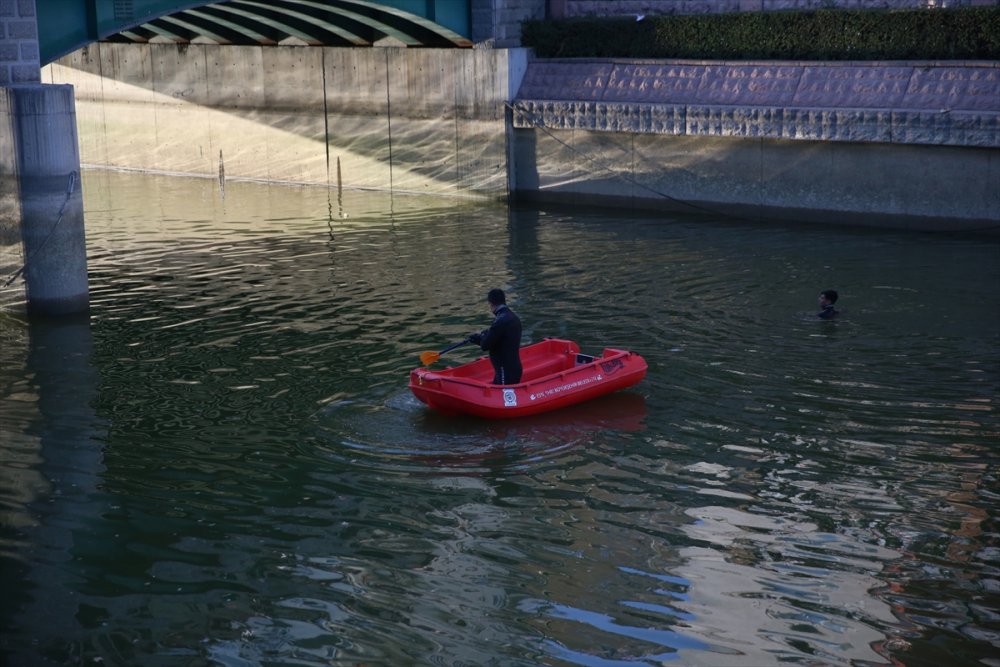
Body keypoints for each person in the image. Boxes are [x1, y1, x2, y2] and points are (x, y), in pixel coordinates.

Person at [469, 288, 522, 385]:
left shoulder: (499, 322)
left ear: (491, 303)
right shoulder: (513, 317)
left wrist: (480, 338)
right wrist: (481, 338)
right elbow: (500, 341)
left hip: (504, 373)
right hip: (513, 369)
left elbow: (485, 345)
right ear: (504, 301)